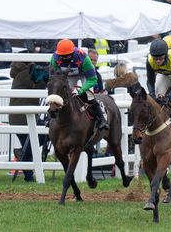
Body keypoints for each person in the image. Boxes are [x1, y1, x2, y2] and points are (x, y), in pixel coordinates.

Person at [9, 45, 49, 182]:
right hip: (22, 117)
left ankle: (23, 159)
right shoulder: (25, 74)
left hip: (20, 116)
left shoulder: (21, 73)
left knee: (32, 142)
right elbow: (39, 86)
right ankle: (28, 174)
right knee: (33, 143)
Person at [49, 39, 108, 131]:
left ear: (73, 53)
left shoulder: (83, 58)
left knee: (89, 96)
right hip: (68, 76)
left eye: (67, 56)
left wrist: (80, 90)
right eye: (62, 56)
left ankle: (101, 119)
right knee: (60, 93)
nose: (64, 58)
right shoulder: (54, 58)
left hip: (84, 75)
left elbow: (92, 79)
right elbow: (54, 78)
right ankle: (51, 118)